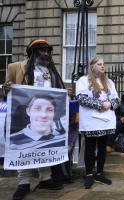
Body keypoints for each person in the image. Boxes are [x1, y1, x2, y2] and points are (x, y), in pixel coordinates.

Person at [3, 39, 65, 200]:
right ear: (32, 52)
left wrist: (65, 93)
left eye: (47, 51)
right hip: (24, 115)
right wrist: (6, 88)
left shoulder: (51, 69)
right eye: (41, 50)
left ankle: (45, 178)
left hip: (45, 116)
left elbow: (57, 91)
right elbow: (7, 90)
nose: (45, 53)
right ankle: (23, 183)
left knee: (43, 146)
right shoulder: (15, 67)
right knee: (24, 148)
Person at [76, 55, 120, 189]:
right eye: (99, 64)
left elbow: (117, 101)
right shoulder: (83, 80)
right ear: (92, 66)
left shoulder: (109, 82)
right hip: (91, 121)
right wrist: (100, 105)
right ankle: (89, 174)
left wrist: (110, 104)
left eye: (103, 64)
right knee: (90, 146)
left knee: (102, 147)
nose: (102, 66)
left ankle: (99, 172)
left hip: (106, 120)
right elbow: (81, 99)